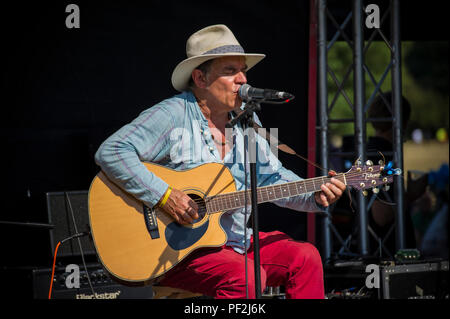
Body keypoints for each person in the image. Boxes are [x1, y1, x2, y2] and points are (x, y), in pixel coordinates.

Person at [94, 24, 346, 299]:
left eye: (243, 70)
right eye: (230, 71)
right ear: (200, 78)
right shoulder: (173, 114)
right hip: (178, 249)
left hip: (236, 243)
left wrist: (316, 195)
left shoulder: (250, 122)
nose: (242, 79)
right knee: (248, 278)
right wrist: (165, 196)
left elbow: (273, 178)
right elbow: (112, 151)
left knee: (305, 257)